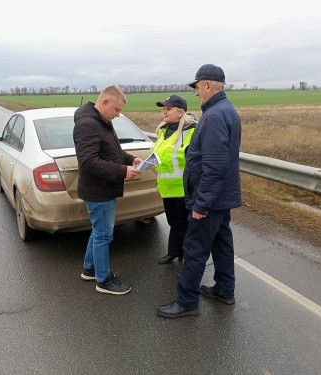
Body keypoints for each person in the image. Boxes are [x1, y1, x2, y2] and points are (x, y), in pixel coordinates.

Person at [157, 64, 242, 318]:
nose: (195, 93)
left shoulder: (215, 116)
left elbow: (214, 166)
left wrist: (201, 204)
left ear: (207, 85)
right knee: (222, 242)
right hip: (222, 196)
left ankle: (186, 301)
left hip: (210, 199)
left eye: (197, 87)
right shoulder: (226, 110)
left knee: (194, 249)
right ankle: (225, 290)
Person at [73, 85, 142, 295]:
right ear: (104, 102)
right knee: (104, 235)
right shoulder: (88, 124)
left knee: (98, 231)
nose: (118, 115)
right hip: (99, 190)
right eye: (116, 110)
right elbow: (88, 162)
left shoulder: (102, 120)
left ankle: (90, 268)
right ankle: (104, 280)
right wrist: (122, 171)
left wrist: (131, 159)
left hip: (103, 188)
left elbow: (113, 150)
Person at [153, 95, 197, 265]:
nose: (164, 112)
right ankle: (173, 252)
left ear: (181, 112)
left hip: (183, 189)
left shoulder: (192, 131)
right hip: (166, 187)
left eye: (168, 109)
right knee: (173, 222)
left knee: (184, 226)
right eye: (164, 108)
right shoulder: (164, 130)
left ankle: (189, 261)